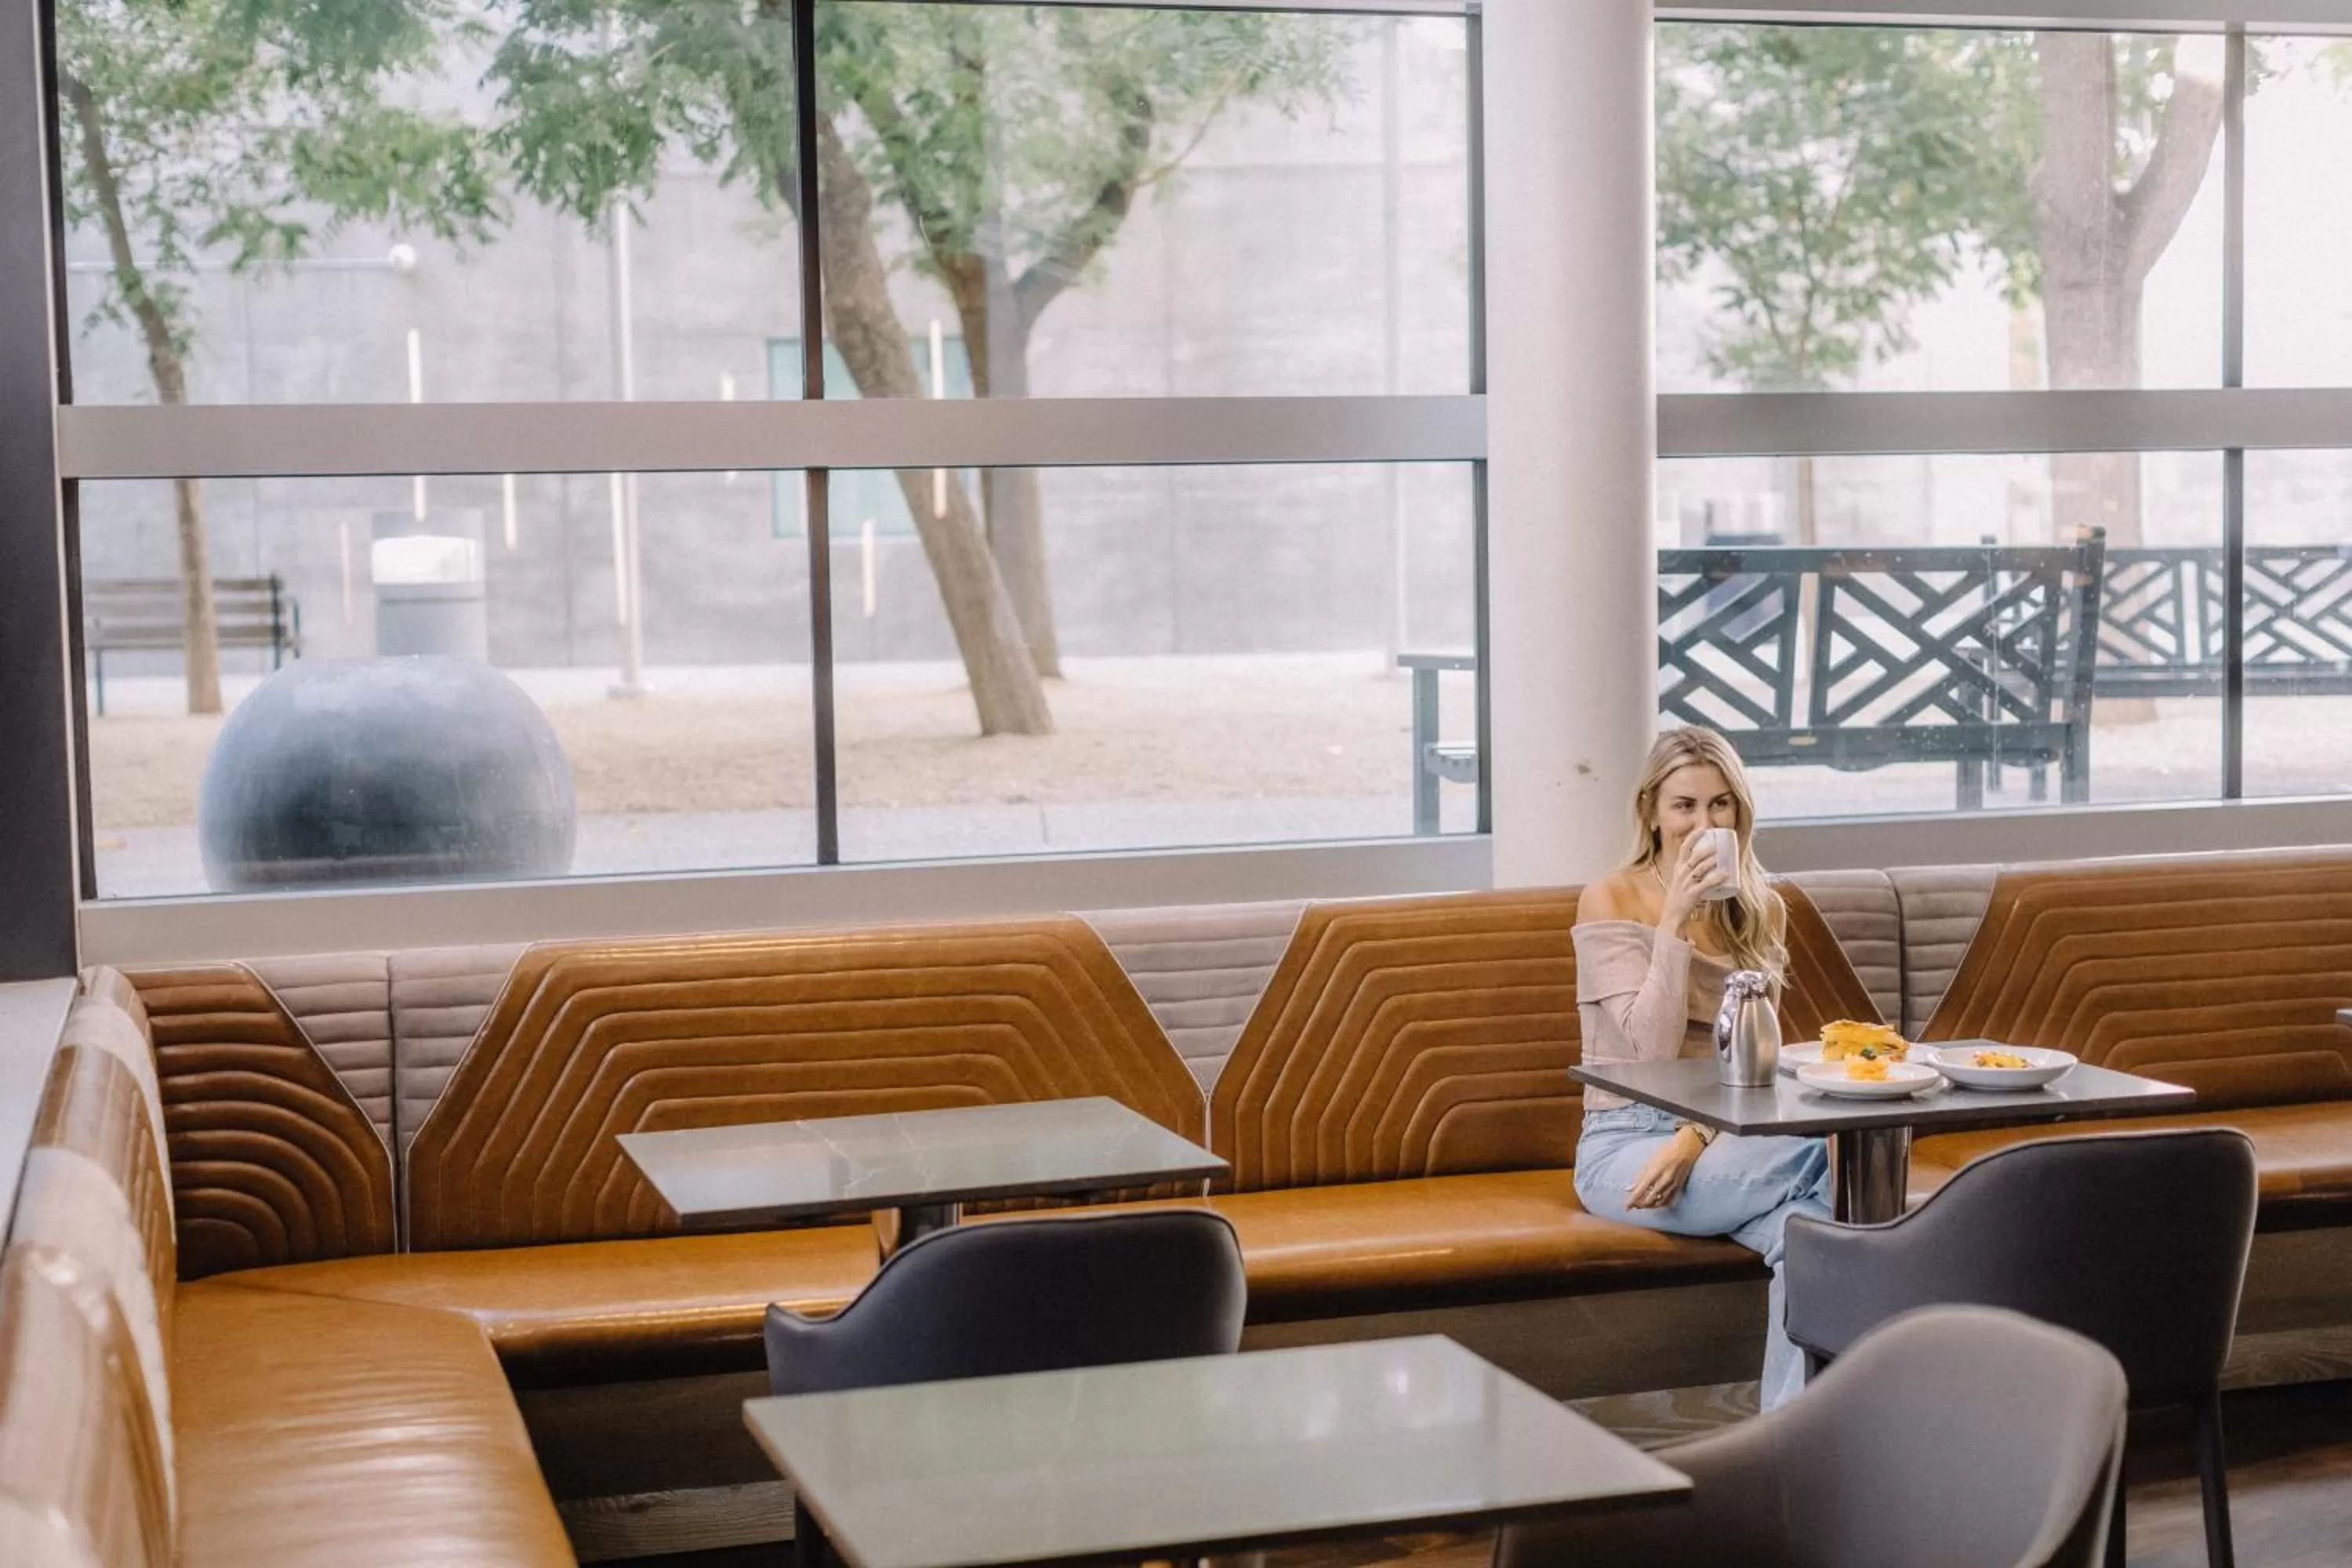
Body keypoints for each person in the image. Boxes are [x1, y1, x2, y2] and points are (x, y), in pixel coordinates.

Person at [1571, 724, 1830, 1410]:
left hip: (1722, 1139)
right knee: (1840, 1172)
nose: (1703, 822)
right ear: (1652, 811)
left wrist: (1696, 1138)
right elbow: (1646, 1055)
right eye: (1685, 805)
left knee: (1815, 1243)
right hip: (1623, 1145)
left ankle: (1791, 1441)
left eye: (1721, 806)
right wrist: (1676, 922)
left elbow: (1755, 1068)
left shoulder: (1761, 906)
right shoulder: (1611, 898)